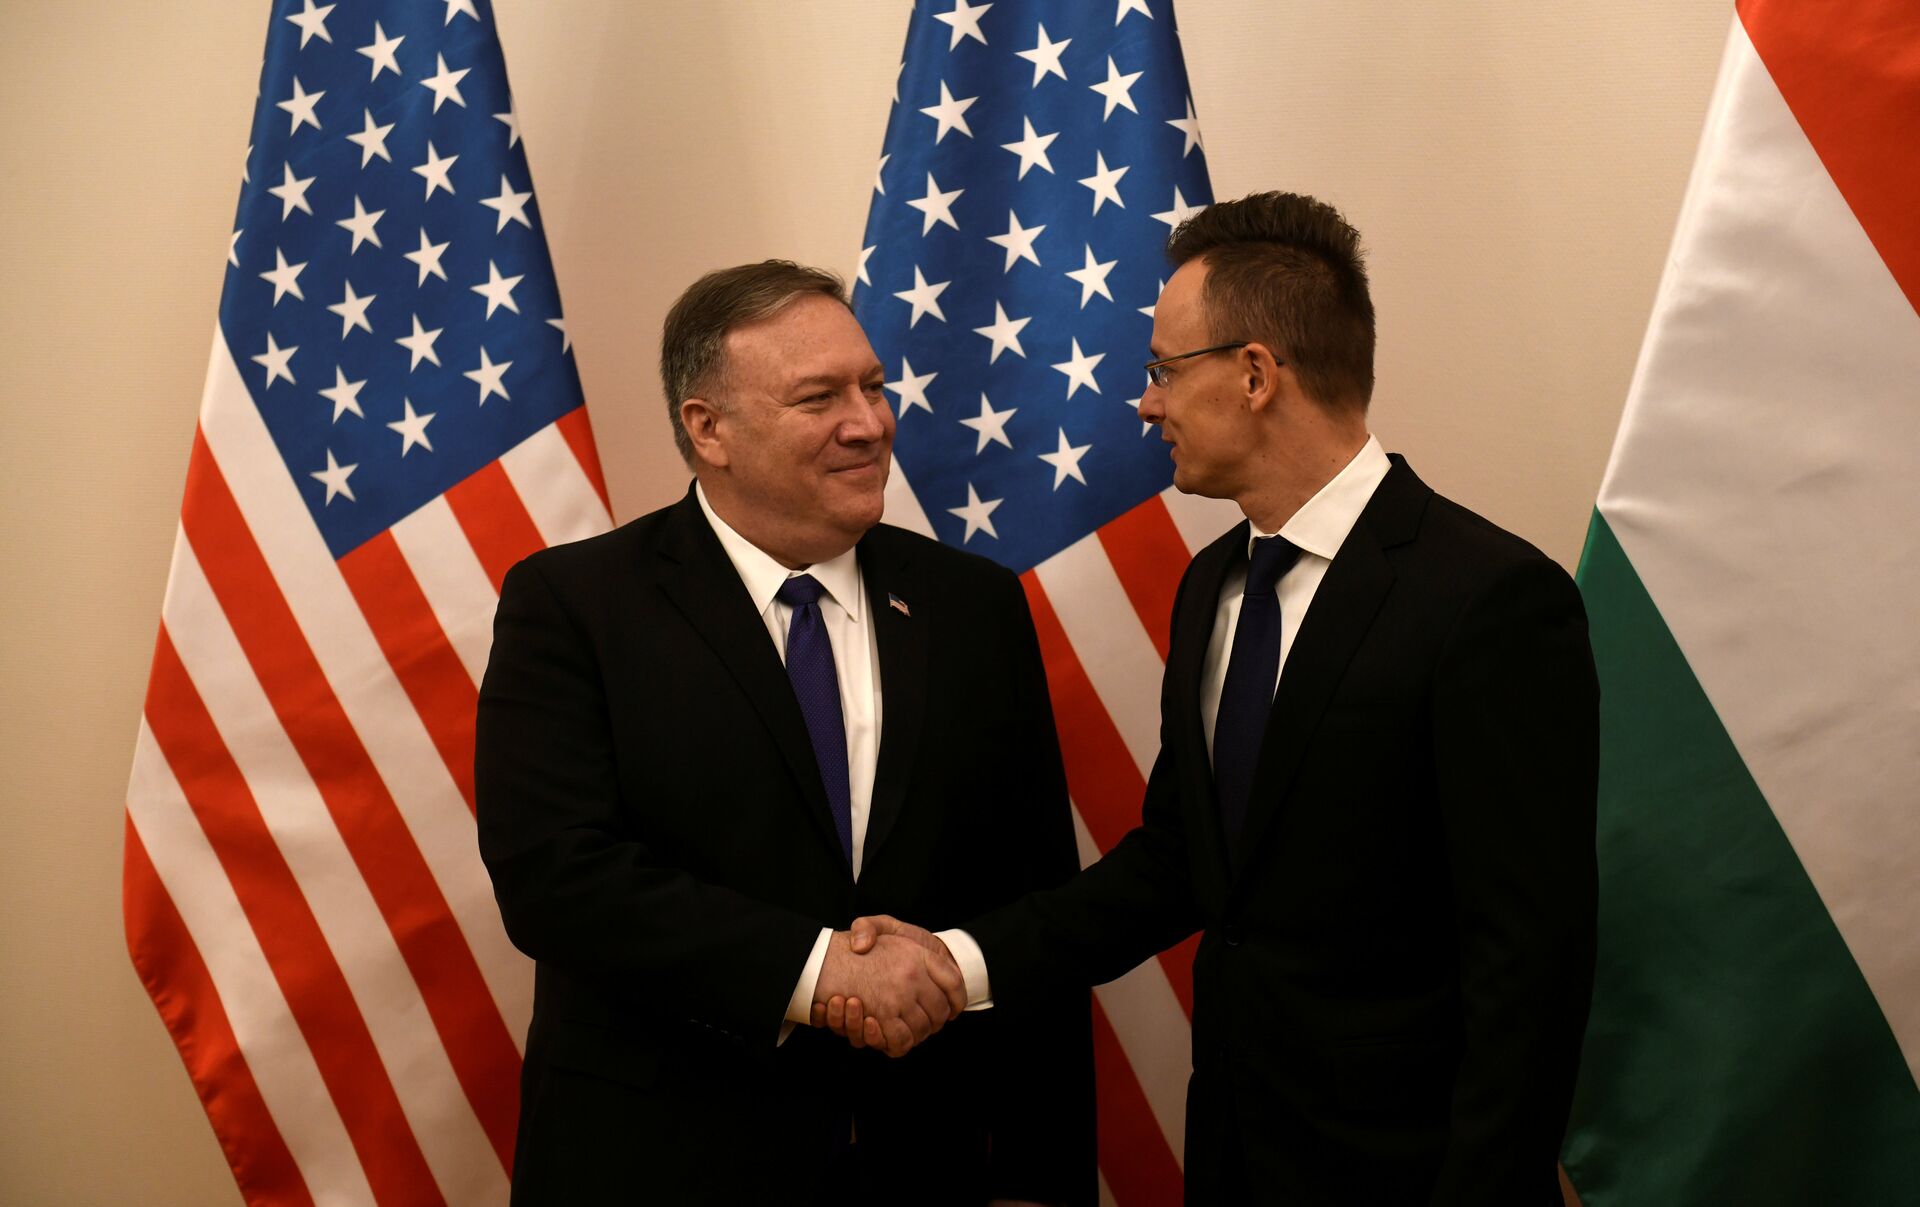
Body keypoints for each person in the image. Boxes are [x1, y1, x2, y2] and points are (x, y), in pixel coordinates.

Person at [831, 193, 1600, 1204]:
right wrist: (958, 962)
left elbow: (1531, 962)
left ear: (1255, 374)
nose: (1145, 405)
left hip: (1410, 1172)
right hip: (1236, 1155)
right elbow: (1178, 863)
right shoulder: (1212, 588)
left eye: (1163, 370)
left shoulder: (1490, 598)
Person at [476, 260, 1094, 1206]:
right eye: (820, 397)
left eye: (873, 386)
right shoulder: (575, 606)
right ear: (708, 428)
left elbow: (1035, 893)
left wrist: (1038, 1179)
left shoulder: (974, 606)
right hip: (661, 1162)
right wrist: (818, 970)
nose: (869, 422)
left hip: (920, 1163)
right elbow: (555, 879)